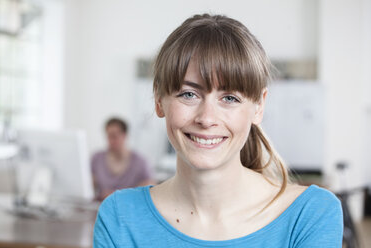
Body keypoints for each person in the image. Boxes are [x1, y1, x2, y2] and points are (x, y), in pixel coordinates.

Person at [94, 14, 343, 247]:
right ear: (159, 99)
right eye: (189, 94)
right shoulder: (119, 217)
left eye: (230, 98)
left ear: (259, 106)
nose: (207, 118)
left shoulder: (310, 214)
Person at [91, 117, 154, 201]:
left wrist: (117, 196)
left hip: (127, 210)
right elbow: (89, 186)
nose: (110, 141)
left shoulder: (140, 162)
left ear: (124, 136)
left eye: (114, 136)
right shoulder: (97, 158)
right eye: (108, 136)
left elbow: (149, 190)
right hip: (101, 207)